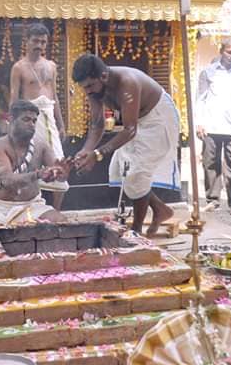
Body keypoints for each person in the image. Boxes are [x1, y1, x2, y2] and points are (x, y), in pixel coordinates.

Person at [71, 53, 180, 236]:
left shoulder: (127, 83)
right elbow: (97, 124)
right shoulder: (94, 89)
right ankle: (160, 209)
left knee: (136, 174)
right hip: (136, 123)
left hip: (158, 119)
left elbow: (129, 130)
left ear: (103, 76)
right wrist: (86, 150)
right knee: (124, 170)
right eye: (84, 88)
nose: (87, 91)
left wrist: (97, 154)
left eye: (90, 86)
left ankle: (136, 231)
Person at [0, 100, 69, 237]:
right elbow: (9, 181)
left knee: (61, 224)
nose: (32, 124)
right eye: (26, 119)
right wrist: (39, 174)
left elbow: (58, 172)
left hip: (31, 206)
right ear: (11, 119)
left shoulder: (41, 146)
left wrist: (60, 172)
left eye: (34, 121)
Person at [10, 22, 68, 209]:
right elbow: (14, 99)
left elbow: (55, 96)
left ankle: (56, 212)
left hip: (49, 118)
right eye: (35, 41)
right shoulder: (19, 68)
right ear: (26, 42)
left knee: (58, 161)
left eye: (43, 42)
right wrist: (14, 127)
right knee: (30, 162)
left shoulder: (51, 66)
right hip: (29, 119)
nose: (39, 46)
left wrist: (61, 124)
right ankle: (29, 210)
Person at [195, 36, 231, 215]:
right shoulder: (208, 72)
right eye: (229, 52)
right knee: (210, 164)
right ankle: (212, 200)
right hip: (211, 126)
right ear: (221, 51)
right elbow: (200, 99)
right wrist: (200, 122)